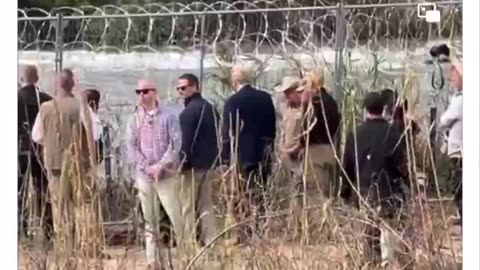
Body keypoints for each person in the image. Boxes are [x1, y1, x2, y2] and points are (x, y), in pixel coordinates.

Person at [32, 68, 101, 259]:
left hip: (55, 166)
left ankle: (65, 249)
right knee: (83, 207)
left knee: (60, 209)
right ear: (73, 84)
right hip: (80, 166)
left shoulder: (45, 108)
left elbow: (36, 136)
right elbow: (95, 134)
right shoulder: (81, 108)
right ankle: (86, 247)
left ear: (56, 85)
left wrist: (54, 142)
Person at [342, 91, 407, 266]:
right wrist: (408, 186)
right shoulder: (392, 132)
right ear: (383, 109)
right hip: (389, 189)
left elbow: (347, 166)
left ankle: (371, 264)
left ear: (365, 110)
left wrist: (345, 192)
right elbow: (401, 164)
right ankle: (388, 263)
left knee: (369, 233)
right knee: (388, 231)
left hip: (364, 190)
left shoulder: (355, 134)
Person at [126, 79, 183, 269]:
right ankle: (153, 261)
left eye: (145, 91)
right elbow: (131, 146)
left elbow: (175, 144)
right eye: (138, 92)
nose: (141, 95)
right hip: (144, 176)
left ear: (154, 92)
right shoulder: (135, 118)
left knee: (175, 216)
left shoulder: (169, 116)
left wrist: (161, 166)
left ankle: (183, 255)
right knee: (150, 220)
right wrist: (147, 167)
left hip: (166, 175)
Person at [221, 63, 276, 244]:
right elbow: (272, 128)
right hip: (264, 153)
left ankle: (242, 233)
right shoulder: (265, 98)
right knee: (260, 193)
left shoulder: (233, 102)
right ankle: (259, 231)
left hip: (242, 155)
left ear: (235, 79)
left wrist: (224, 158)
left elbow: (227, 133)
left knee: (240, 195)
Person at [176, 73, 219, 249]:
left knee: (187, 206)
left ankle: (188, 243)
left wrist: (182, 164)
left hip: (192, 167)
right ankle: (212, 241)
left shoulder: (187, 113)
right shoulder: (210, 108)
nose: (180, 91)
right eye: (178, 88)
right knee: (206, 205)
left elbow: (185, 142)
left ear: (195, 87)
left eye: (184, 87)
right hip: (209, 164)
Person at [17, 65, 53, 241]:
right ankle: (48, 229)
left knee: (19, 191)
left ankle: (20, 229)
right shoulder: (46, 100)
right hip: (40, 149)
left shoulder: (15, 97)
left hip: (20, 150)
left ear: (22, 79)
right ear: (37, 79)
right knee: (42, 189)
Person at [296, 70, 341, 200]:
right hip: (329, 149)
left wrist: (304, 104)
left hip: (314, 152)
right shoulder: (331, 101)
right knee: (327, 194)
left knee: (314, 196)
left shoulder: (314, 103)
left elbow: (306, 129)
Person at [439, 59, 463, 223]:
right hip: (457, 148)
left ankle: (463, 215)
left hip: (459, 151)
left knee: (458, 185)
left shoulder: (461, 100)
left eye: (454, 75)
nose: (450, 79)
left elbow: (444, 120)